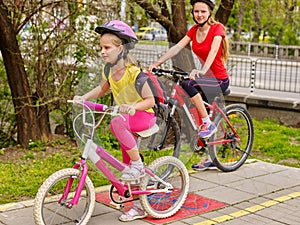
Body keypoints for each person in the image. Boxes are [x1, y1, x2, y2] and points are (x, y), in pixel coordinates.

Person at [73, 20, 155, 221]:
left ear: (121, 48)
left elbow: (150, 100)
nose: (102, 51)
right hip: (124, 121)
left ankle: (137, 164)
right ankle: (138, 206)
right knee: (128, 168)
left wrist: (132, 107)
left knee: (116, 124)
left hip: (143, 116)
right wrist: (83, 98)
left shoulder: (134, 73)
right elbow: (102, 89)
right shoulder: (109, 70)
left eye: (107, 47)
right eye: (101, 47)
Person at [149, 0, 230, 170]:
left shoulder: (217, 29)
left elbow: (214, 51)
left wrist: (202, 70)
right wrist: (157, 63)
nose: (199, 14)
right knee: (191, 98)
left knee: (188, 84)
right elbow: (177, 47)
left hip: (219, 80)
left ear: (209, 12)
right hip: (205, 79)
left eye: (203, 11)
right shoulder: (193, 30)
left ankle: (207, 123)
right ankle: (209, 152)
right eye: (196, 11)